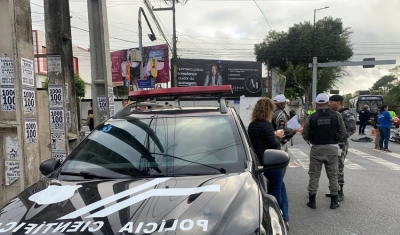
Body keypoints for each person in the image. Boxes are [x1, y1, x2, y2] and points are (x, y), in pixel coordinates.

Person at [247, 98, 289, 230]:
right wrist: (278, 136)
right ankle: (280, 217)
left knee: (280, 186)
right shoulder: (266, 125)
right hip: (272, 162)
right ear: (268, 111)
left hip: (260, 161)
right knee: (277, 189)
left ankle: (284, 216)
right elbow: (274, 144)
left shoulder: (253, 125)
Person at [302, 93, 347, 210]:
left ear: (316, 104)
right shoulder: (336, 115)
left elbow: (305, 134)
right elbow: (343, 133)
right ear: (327, 103)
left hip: (316, 148)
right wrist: (336, 141)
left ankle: (312, 202)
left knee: (314, 175)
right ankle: (334, 202)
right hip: (332, 148)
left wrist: (311, 143)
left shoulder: (311, 117)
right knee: (333, 175)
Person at [326, 95, 356, 202]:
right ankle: (334, 190)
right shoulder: (332, 113)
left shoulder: (346, 114)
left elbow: (352, 128)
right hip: (330, 144)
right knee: (331, 168)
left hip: (340, 145)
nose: (328, 103)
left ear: (338, 102)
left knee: (338, 168)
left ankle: (340, 192)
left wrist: (341, 136)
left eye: (331, 102)